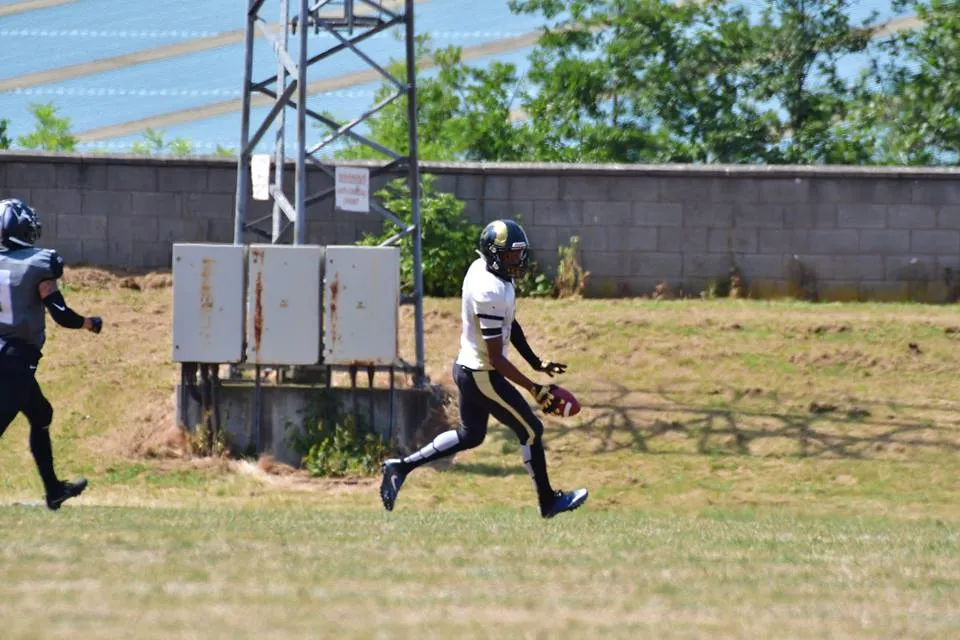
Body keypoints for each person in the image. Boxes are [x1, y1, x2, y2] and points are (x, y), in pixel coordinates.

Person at [380, 219, 588, 519]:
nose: (517, 261)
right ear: (493, 255)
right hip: (481, 374)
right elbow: (497, 360)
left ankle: (399, 467)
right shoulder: (488, 290)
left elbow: (509, 324)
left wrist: (535, 361)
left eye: (519, 254)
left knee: (471, 435)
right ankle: (548, 502)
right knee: (531, 430)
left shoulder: (490, 272)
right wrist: (534, 389)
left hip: (470, 367)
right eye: (510, 256)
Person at [0, 198, 103, 511]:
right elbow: (59, 313)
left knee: (41, 414)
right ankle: (54, 490)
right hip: (15, 358)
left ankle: (54, 490)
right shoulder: (38, 262)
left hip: (6, 353)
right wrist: (89, 323)